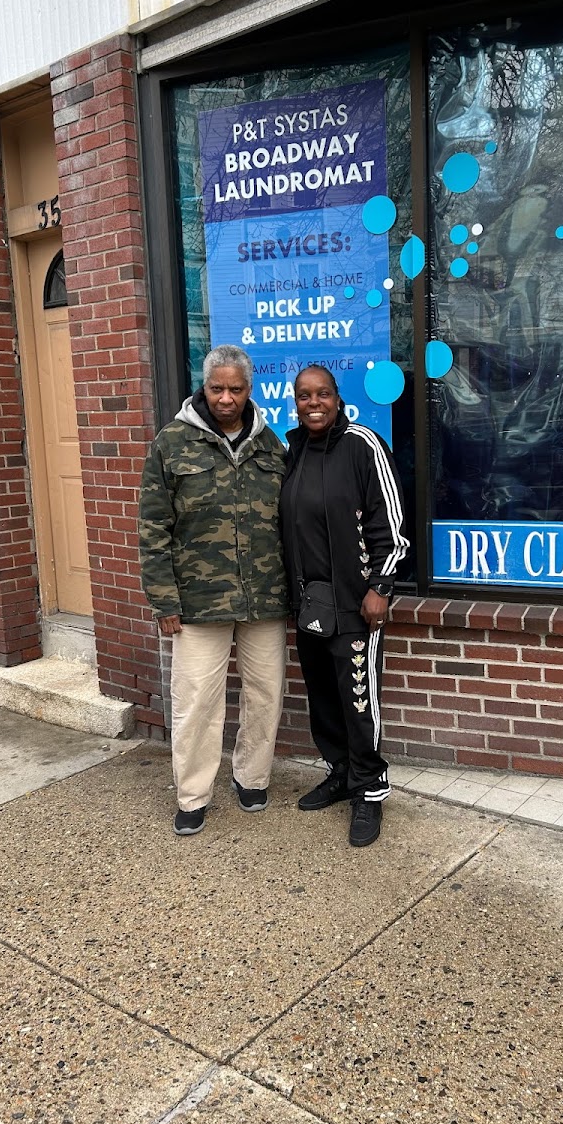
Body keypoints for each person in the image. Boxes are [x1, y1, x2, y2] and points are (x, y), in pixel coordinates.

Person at [138, 345, 289, 836]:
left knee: (265, 694)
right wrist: (164, 599)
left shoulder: (273, 447)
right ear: (204, 387)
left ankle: (252, 777)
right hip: (197, 603)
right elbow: (153, 527)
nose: (226, 398)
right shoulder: (172, 442)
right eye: (216, 388)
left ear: (250, 390)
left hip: (265, 597)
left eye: (236, 389)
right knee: (197, 700)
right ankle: (193, 795)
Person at [280, 365, 409, 848]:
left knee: (359, 700)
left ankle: (370, 790)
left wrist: (381, 586)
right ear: (295, 402)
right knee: (323, 696)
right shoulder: (293, 450)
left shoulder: (362, 445)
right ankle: (339, 772)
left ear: (338, 397)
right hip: (309, 604)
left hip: (356, 606)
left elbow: (390, 525)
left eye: (323, 394)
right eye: (304, 396)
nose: (314, 403)